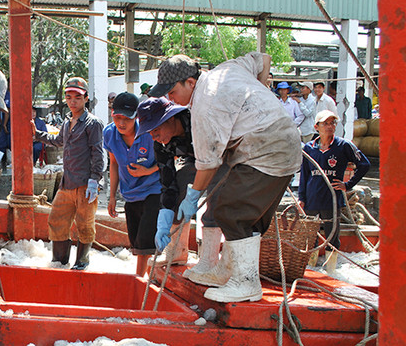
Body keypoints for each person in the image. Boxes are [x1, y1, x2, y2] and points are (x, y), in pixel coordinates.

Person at [149, 52, 301, 303]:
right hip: (282, 142)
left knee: (227, 207)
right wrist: (259, 101)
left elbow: (208, 165)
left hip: (266, 148)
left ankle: (246, 282)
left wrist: (192, 196)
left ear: (191, 82)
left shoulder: (203, 107)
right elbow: (263, 59)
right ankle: (227, 271)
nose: (170, 98)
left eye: (172, 91)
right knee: (243, 211)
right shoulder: (228, 69)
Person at [136, 97, 225, 279]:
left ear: (170, 119)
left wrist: (194, 196)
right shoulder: (160, 143)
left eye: (156, 129)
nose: (153, 136)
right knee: (180, 181)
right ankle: (176, 252)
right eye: (150, 132)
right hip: (196, 161)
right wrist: (165, 214)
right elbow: (167, 181)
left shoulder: (197, 121)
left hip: (224, 157)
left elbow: (214, 159)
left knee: (217, 197)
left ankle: (209, 260)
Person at [34, 77, 105, 270]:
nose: (73, 101)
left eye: (78, 97)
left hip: (85, 184)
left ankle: (82, 262)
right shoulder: (67, 121)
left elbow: (98, 153)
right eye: (69, 96)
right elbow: (58, 141)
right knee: (56, 220)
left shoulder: (93, 123)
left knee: (85, 224)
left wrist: (95, 180)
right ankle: (59, 262)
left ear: (86, 99)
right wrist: (37, 134)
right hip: (67, 183)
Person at [103, 92, 162, 276]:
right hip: (129, 193)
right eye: (117, 117)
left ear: (136, 117)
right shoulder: (109, 134)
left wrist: (148, 170)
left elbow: (170, 157)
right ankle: (144, 275)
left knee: (145, 239)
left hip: (154, 189)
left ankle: (140, 279)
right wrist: (112, 197)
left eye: (126, 119)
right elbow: (113, 163)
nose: (121, 123)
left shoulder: (150, 132)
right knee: (135, 241)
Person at [298, 110, 370, 251]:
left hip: (332, 199)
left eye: (332, 123)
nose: (330, 126)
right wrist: (302, 197)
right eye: (325, 123)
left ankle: (331, 267)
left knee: (332, 238)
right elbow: (304, 175)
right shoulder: (309, 148)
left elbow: (364, 164)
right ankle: (310, 267)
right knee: (309, 238)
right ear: (316, 127)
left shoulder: (343, 145)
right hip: (311, 199)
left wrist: (348, 185)